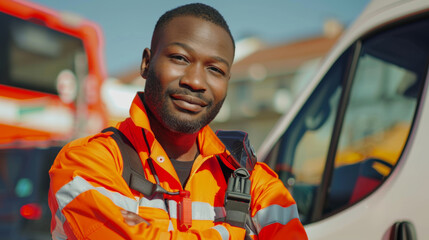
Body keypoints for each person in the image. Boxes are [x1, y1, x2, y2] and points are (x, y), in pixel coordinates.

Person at [48, 3, 308, 240]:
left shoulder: (257, 182)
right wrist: (235, 233)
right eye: (180, 58)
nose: (195, 81)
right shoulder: (85, 163)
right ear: (146, 63)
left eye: (215, 70)